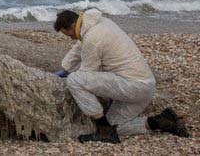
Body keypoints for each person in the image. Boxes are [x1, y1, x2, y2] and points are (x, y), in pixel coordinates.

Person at [54, 8, 190, 143]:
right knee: (115, 126)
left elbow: (88, 72)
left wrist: (68, 76)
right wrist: (65, 68)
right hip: (146, 87)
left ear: (72, 25)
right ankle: (161, 121)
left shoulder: (92, 38)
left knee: (75, 80)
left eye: (68, 34)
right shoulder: (99, 23)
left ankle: (104, 132)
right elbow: (80, 46)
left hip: (131, 86)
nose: (71, 37)